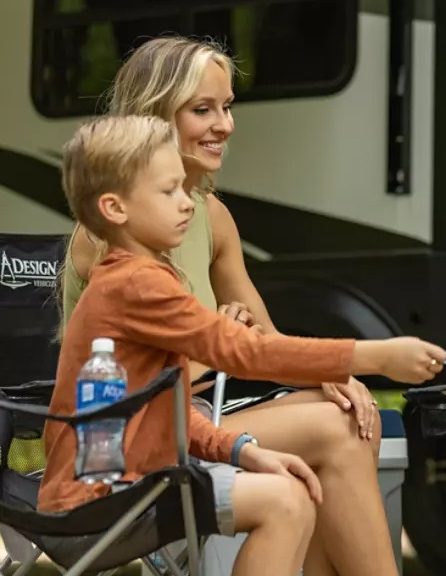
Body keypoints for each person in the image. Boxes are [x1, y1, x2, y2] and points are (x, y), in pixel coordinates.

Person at [58, 37, 417, 575]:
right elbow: (207, 349)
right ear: (154, 116)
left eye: (227, 107)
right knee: (334, 432)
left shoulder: (211, 215)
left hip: (197, 414)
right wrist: (359, 358)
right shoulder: (110, 232)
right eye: (203, 109)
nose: (224, 125)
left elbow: (263, 340)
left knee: (346, 414)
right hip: (127, 437)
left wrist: (328, 378)